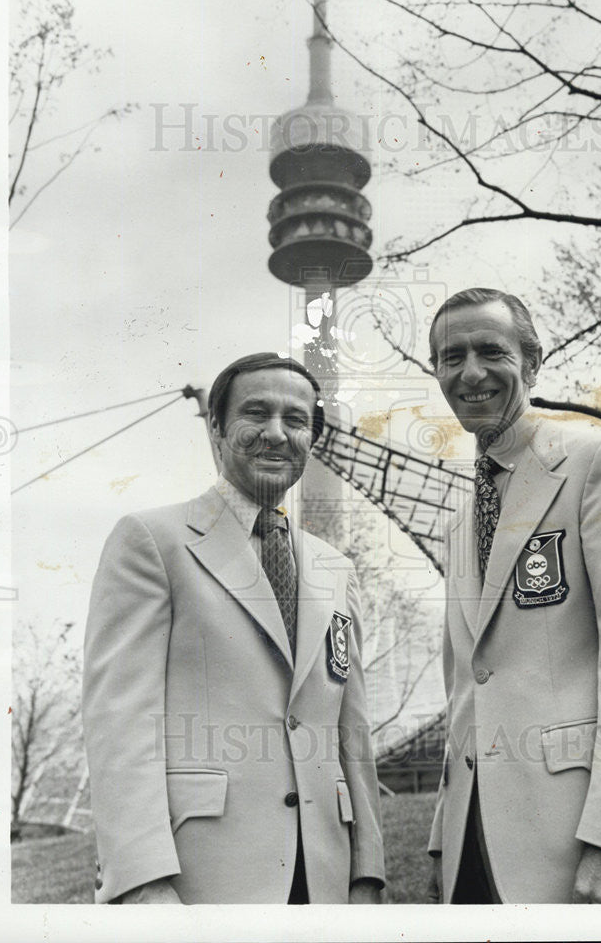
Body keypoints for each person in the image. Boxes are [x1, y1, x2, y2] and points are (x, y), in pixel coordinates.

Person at [83, 353, 385, 904]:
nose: (276, 433)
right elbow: (119, 723)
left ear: (311, 439)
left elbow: (351, 733)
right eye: (255, 413)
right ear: (218, 428)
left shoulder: (335, 568)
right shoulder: (153, 540)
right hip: (200, 876)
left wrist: (366, 871)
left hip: (325, 878)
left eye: (296, 420)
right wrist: (141, 879)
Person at [426, 288, 601, 904]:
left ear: (533, 363)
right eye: (451, 356)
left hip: (580, 841)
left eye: (492, 351)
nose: (471, 372)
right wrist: (444, 836)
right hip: (475, 840)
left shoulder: (598, 461)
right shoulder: (459, 518)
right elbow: (467, 683)